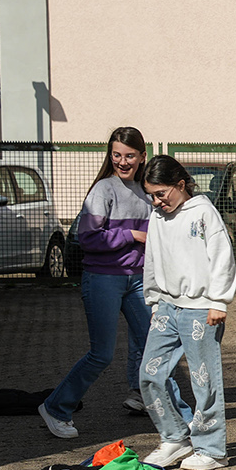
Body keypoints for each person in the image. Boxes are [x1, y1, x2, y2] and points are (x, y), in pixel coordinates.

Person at [39, 127, 186, 440]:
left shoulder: (147, 191)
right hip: (103, 279)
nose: (122, 161)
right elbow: (88, 238)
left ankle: (168, 412)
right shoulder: (103, 190)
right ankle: (56, 408)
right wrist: (131, 235)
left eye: (129, 156)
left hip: (139, 280)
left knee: (156, 346)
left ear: (142, 157)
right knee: (101, 354)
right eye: (117, 155)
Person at [137, 156, 236, 470]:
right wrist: (154, 300)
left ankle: (212, 450)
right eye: (151, 195)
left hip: (201, 309)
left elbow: (221, 256)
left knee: (204, 380)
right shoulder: (157, 216)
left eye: (161, 193)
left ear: (180, 184)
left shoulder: (204, 212)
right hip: (166, 306)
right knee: (149, 374)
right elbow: (152, 258)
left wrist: (218, 301)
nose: (157, 201)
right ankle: (174, 438)